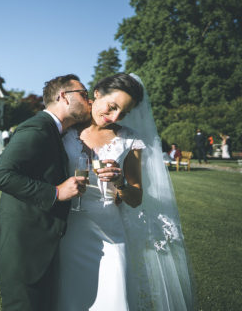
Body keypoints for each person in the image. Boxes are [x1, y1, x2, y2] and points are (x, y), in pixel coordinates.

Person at [56, 73, 194, 310]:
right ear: (96, 94)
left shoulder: (130, 140)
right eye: (112, 107)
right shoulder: (64, 129)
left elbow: (136, 198)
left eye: (124, 112)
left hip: (111, 232)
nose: (116, 116)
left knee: (113, 298)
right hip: (67, 229)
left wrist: (120, 183)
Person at [0, 74, 91, 310]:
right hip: (22, 251)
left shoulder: (54, 130)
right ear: (64, 97)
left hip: (37, 248)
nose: (88, 100)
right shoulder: (37, 128)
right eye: (83, 93)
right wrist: (56, 193)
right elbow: (1, 175)